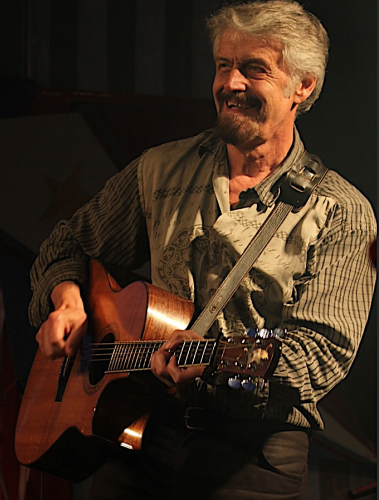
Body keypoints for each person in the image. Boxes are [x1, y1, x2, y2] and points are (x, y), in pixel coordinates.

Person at [28, 1, 377, 499]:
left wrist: (215, 359)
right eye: (222, 66)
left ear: (303, 86)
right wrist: (66, 302)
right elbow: (66, 244)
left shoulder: (342, 211)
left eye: (254, 69)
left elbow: (320, 356)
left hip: (253, 455)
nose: (230, 83)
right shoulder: (160, 169)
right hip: (139, 432)